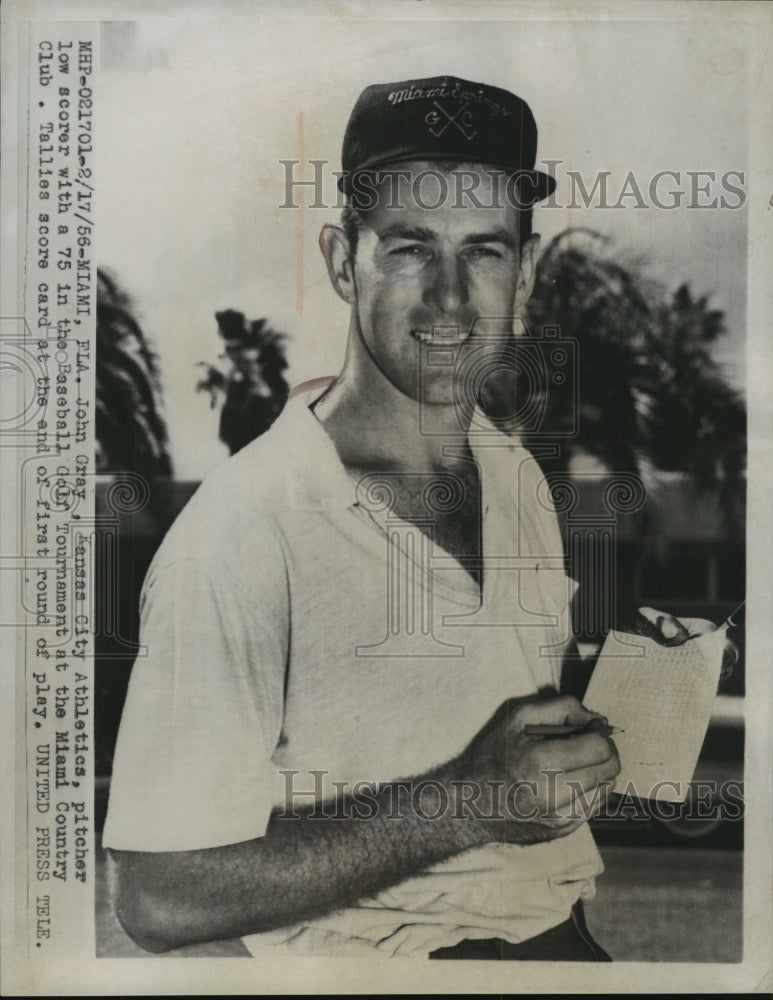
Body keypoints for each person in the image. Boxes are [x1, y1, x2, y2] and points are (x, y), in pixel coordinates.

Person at [104, 75, 699, 961]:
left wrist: (626, 701)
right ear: (344, 259)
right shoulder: (244, 528)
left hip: (567, 950)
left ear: (525, 271)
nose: (452, 298)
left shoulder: (515, 478)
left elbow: (482, 714)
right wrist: (467, 802)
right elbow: (156, 895)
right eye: (411, 248)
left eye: (486, 251)